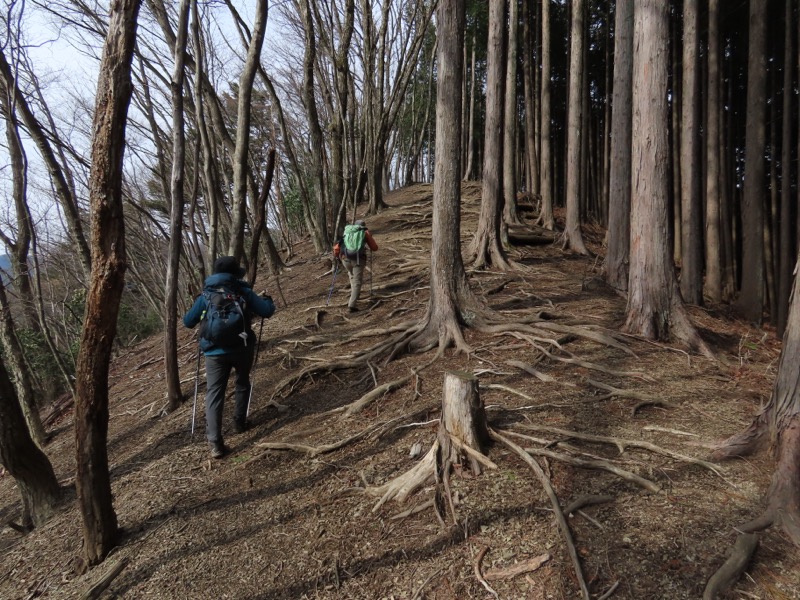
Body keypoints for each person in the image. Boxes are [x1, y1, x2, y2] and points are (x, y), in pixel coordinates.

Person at [184, 256, 275, 459]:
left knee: (214, 393)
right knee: (242, 382)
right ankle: (239, 422)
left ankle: (215, 443)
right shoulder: (242, 291)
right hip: (242, 347)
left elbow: (188, 322)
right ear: (235, 274)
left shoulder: (206, 295)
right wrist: (268, 300)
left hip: (213, 353)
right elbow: (267, 311)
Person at [333, 219, 378, 312]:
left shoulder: (347, 232)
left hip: (345, 259)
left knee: (352, 277)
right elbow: (374, 248)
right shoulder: (364, 233)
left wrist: (338, 257)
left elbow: (337, 247)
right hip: (358, 260)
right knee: (357, 282)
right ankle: (352, 305)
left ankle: (355, 296)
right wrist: (369, 237)